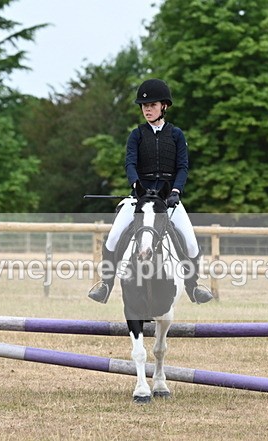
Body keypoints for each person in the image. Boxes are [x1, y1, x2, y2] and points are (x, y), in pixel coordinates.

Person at [88, 78, 214, 305]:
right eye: (145, 105)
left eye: (152, 105)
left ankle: (192, 286)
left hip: (168, 198)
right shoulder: (136, 135)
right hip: (140, 198)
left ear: (164, 106)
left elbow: (182, 167)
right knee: (114, 237)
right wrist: (136, 186)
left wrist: (176, 190)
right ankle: (106, 285)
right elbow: (130, 164)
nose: (147, 109)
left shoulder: (176, 135)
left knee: (192, 242)